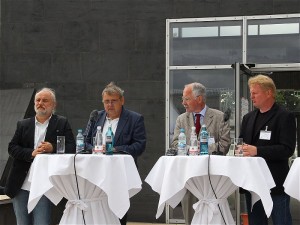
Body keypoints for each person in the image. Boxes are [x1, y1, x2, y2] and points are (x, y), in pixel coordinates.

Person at [5, 88, 76, 225]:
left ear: (53, 105)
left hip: (44, 185)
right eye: (38, 100)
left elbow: (72, 147)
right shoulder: (23, 124)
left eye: (45, 100)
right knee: (22, 222)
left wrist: (53, 148)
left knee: (42, 222)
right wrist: (31, 153)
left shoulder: (61, 123)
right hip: (21, 184)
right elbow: (12, 148)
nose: (40, 103)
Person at [84, 82, 146, 225]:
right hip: (94, 173)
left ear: (122, 101)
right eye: (106, 101)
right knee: (96, 211)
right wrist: (96, 148)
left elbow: (139, 146)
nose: (109, 105)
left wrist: (114, 149)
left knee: (117, 212)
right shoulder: (96, 116)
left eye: (113, 101)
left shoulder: (135, 119)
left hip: (120, 174)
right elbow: (84, 142)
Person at [171, 82, 231, 225]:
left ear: (199, 99)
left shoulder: (219, 117)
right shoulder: (181, 119)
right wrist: (193, 149)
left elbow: (224, 145)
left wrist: (198, 149)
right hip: (190, 178)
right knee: (190, 216)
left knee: (212, 217)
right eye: (183, 99)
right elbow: (174, 144)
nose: (183, 102)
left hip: (212, 177)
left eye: (186, 98)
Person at [240, 74, 296, 225]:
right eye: (250, 93)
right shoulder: (248, 118)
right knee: (256, 222)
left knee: (281, 221)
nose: (251, 96)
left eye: (255, 93)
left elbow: (287, 149)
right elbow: (241, 143)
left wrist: (257, 151)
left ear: (269, 92)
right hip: (252, 182)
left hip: (275, 182)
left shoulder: (285, 116)